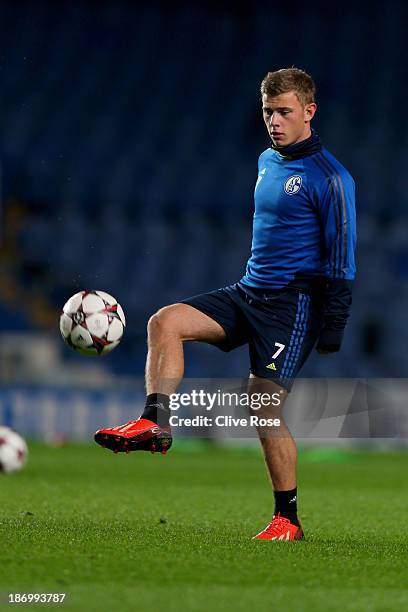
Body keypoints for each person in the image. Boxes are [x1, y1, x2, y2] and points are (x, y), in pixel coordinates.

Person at [95, 68, 356, 541]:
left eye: (284, 112)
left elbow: (342, 257)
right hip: (247, 292)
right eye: (267, 112)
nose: (274, 121)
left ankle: (287, 520)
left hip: (291, 307)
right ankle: (154, 424)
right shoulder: (266, 160)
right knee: (165, 322)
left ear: (309, 112)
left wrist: (333, 326)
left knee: (261, 404)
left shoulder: (331, 179)